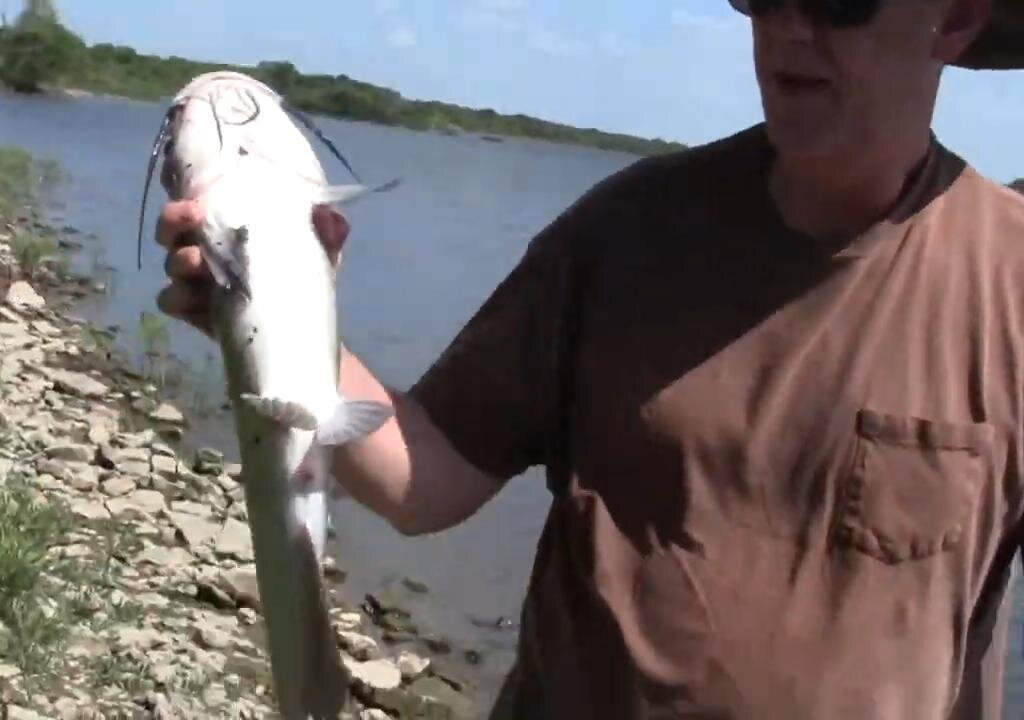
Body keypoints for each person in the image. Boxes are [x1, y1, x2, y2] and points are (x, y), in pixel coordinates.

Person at [155, 0, 1024, 716]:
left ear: (954, 20)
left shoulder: (1011, 284)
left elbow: (974, 621)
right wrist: (275, 321)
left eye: (841, 1)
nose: (790, 28)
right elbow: (425, 483)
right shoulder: (627, 232)